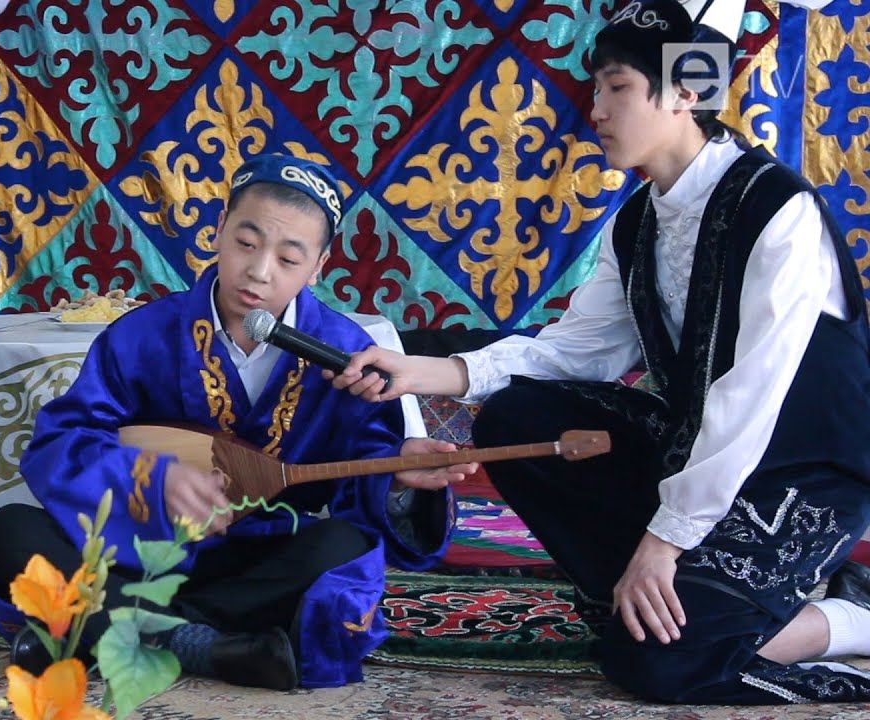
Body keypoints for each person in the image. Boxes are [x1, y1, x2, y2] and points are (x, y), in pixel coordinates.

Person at [331, 0, 870, 704]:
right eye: (596, 90)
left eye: (617, 87)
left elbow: (750, 398)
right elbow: (578, 351)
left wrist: (664, 542)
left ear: (686, 91)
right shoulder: (639, 220)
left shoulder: (779, 211)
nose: (597, 111)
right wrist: (423, 373)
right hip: (696, 451)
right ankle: (651, 603)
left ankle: (849, 619)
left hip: (795, 471)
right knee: (518, 416)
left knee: (658, 667)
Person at [0, 154, 477, 690]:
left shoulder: (345, 352)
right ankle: (209, 646)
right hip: (140, 546)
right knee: (10, 531)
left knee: (344, 548)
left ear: (318, 266)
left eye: (288, 258)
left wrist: (396, 478)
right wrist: (150, 478)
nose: (260, 271)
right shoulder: (144, 334)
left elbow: (361, 477)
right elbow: (62, 441)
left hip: (258, 559)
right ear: (218, 230)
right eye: (246, 243)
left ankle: (111, 629)